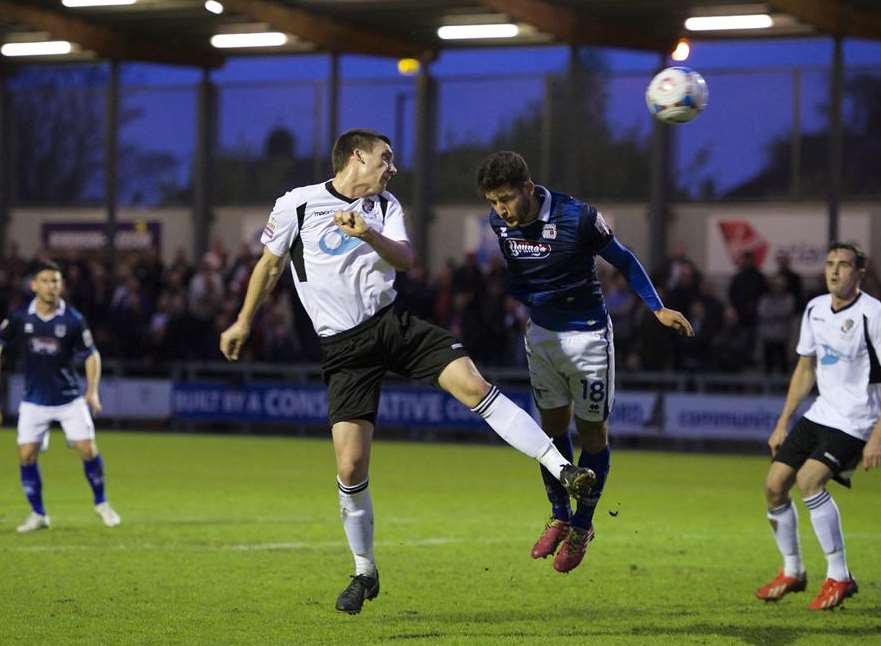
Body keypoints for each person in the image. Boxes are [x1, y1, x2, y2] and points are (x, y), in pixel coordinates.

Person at [218, 129, 596, 614]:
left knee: (474, 386)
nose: (392, 167)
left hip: (393, 325)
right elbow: (268, 267)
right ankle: (364, 571)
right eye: (385, 158)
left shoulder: (385, 206)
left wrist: (368, 233)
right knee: (351, 468)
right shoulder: (296, 204)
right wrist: (243, 321)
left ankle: (563, 470)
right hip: (343, 348)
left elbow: (406, 259)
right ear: (357, 156)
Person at [475, 151, 694, 573]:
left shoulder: (578, 217)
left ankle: (582, 525)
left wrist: (657, 308)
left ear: (528, 187)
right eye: (492, 202)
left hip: (589, 338)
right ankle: (559, 514)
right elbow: (520, 273)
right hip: (541, 337)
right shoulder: (499, 222)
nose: (500, 210)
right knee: (551, 430)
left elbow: (624, 260)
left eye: (505, 198)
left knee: (592, 435)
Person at [756, 243, 881, 610]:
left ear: (860, 272)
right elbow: (805, 368)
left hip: (858, 420)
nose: (834, 271)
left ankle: (839, 576)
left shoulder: (873, 314)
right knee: (774, 486)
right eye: (830, 264)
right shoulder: (814, 309)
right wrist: (782, 423)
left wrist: (877, 436)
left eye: (843, 265)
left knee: (810, 481)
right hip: (820, 414)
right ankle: (793, 571)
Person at [0, 260, 121, 533]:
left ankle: (101, 503)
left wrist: (92, 392)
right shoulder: (20, 317)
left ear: (61, 285)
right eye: (45, 280)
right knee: (26, 455)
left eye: (55, 281)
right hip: (33, 400)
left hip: (69, 398)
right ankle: (38, 513)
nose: (51, 286)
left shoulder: (73, 319)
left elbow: (91, 355)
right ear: (34, 285)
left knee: (87, 449)